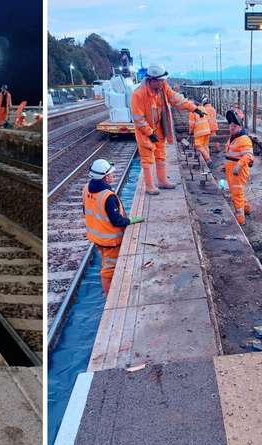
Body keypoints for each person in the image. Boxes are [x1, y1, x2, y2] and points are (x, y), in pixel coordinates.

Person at [131, 64, 206, 194]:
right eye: (160, 81)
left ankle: (162, 181)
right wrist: (149, 133)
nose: (163, 83)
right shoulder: (138, 95)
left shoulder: (163, 88)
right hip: (145, 132)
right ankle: (149, 186)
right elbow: (139, 119)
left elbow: (176, 99)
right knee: (147, 157)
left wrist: (194, 108)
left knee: (161, 154)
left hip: (159, 127)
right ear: (152, 80)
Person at [83, 159, 144, 294]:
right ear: (105, 177)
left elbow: (87, 210)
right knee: (109, 270)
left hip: (97, 235)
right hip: (110, 240)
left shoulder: (86, 188)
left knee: (106, 262)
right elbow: (116, 220)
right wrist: (130, 220)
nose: (113, 176)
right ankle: (109, 295)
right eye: (111, 174)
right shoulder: (108, 197)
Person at [223, 108, 254, 225]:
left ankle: (240, 220)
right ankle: (246, 209)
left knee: (237, 194)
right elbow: (231, 155)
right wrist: (225, 166)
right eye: (230, 124)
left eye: (234, 125)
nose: (231, 127)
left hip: (238, 172)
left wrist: (239, 165)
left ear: (240, 126)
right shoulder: (233, 138)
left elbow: (249, 156)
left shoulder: (244, 139)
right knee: (238, 192)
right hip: (231, 170)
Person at [188, 94, 217, 167]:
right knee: (205, 146)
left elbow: (192, 124)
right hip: (207, 130)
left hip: (199, 132)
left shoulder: (192, 111)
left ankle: (208, 160)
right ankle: (208, 160)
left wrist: (190, 132)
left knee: (198, 145)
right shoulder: (203, 108)